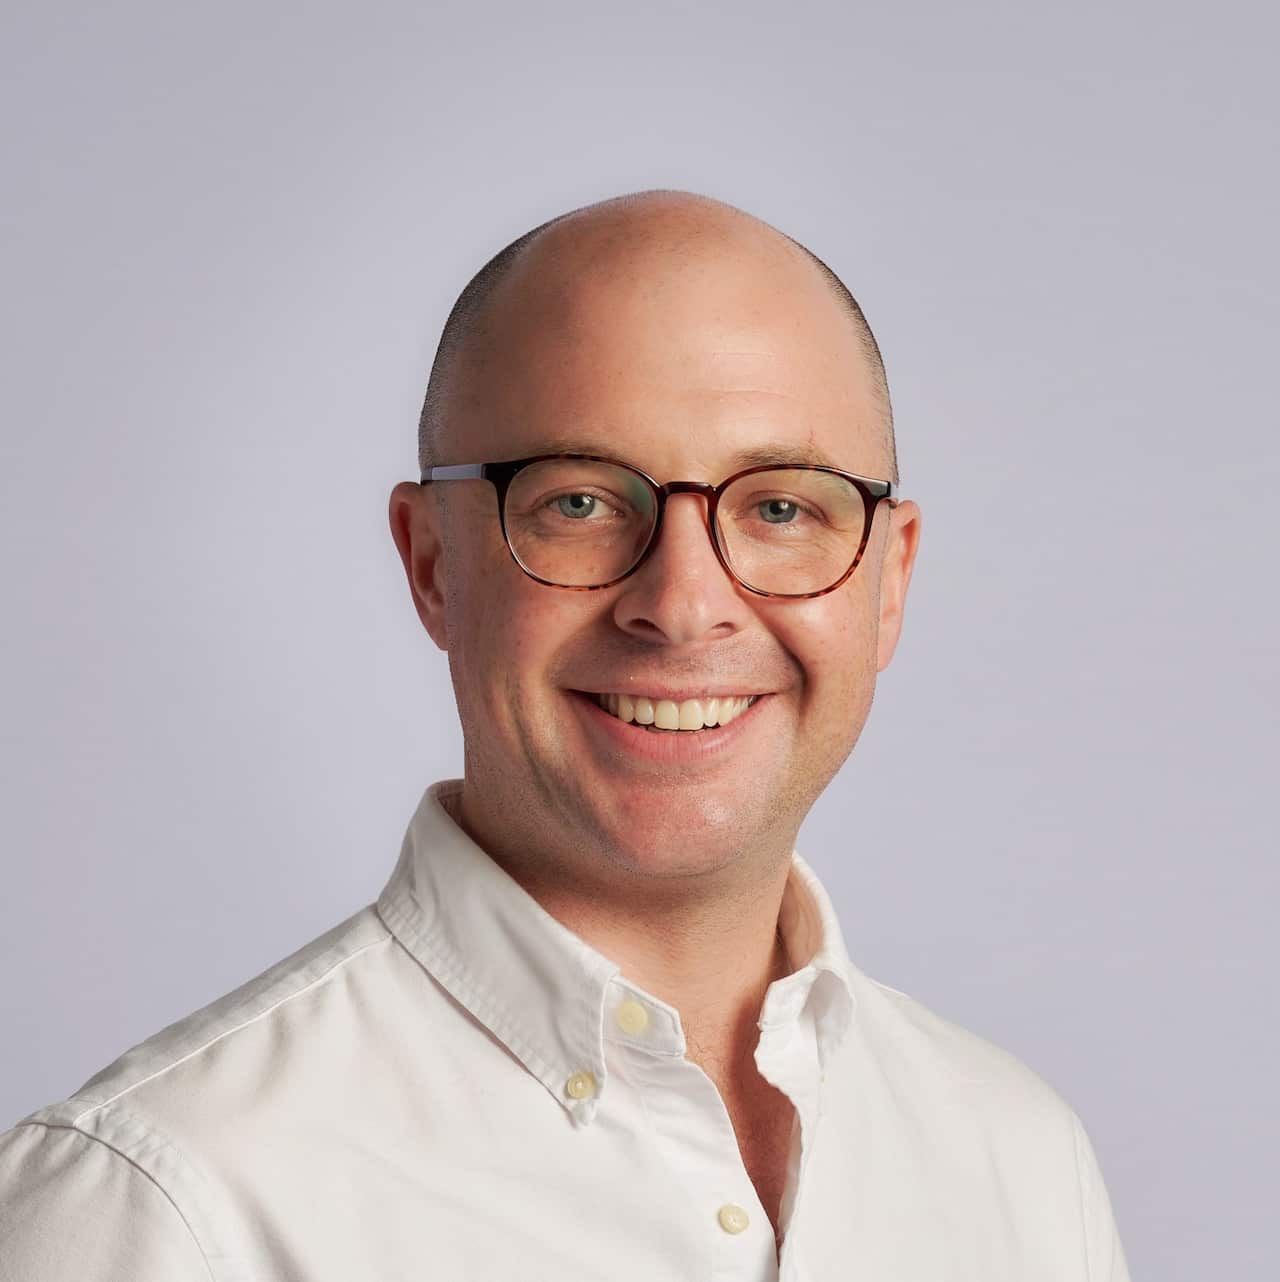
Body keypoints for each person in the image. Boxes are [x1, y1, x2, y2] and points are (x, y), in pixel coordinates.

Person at [0, 188, 1131, 1280]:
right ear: (431, 562)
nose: (683, 605)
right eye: (580, 501)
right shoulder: (165, 1206)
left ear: (889, 581)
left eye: (779, 506)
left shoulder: (1019, 1161)